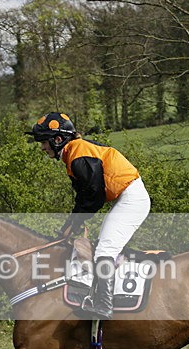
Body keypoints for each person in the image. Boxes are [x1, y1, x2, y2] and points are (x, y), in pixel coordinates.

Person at [27, 112, 151, 320]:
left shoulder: (78, 155)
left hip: (131, 199)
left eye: (44, 141)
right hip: (126, 197)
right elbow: (83, 199)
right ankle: (99, 297)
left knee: (105, 250)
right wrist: (70, 224)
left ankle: (104, 306)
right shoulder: (73, 153)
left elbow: (94, 197)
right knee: (102, 248)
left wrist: (75, 222)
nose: (42, 147)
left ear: (58, 139)